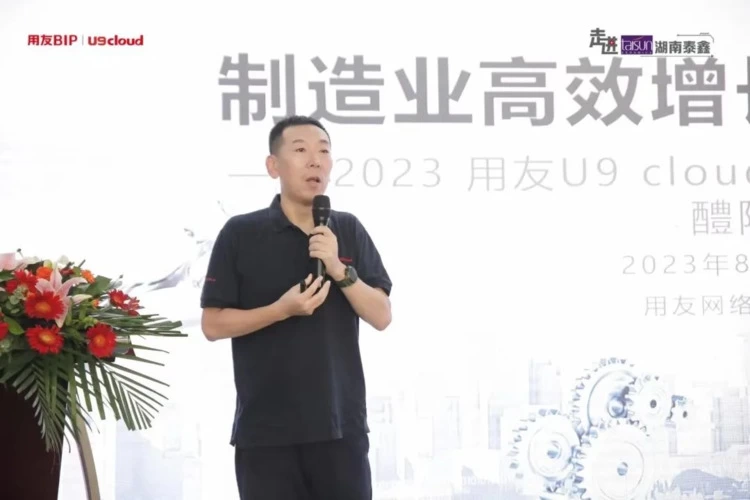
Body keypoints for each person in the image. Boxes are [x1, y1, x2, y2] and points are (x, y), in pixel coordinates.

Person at [200, 115, 393, 500]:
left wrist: (339, 269)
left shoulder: (347, 229)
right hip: (267, 434)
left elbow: (381, 315)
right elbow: (213, 324)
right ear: (273, 165)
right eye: (301, 150)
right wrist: (281, 309)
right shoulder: (241, 233)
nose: (315, 161)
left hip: (341, 430)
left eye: (324, 151)